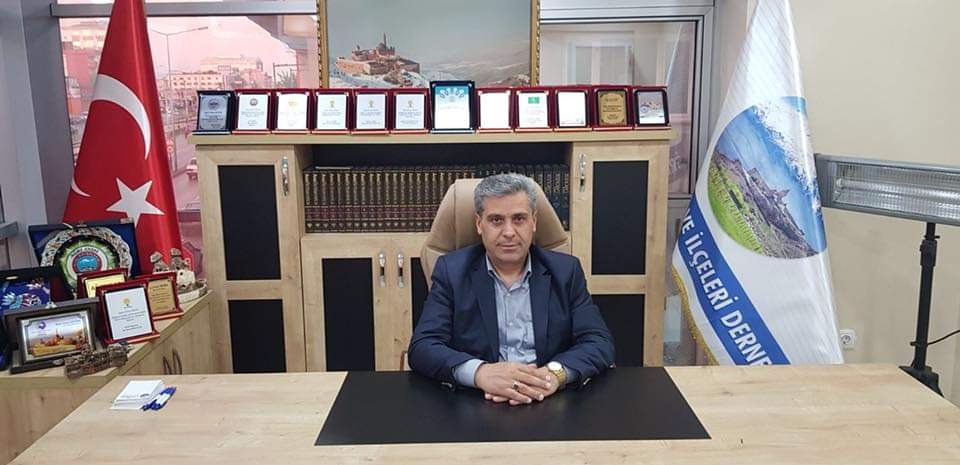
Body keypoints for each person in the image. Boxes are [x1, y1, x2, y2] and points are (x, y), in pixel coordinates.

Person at [409, 173, 615, 406]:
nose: (509, 232)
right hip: (478, 401)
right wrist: (480, 373)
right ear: (479, 224)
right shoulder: (452, 272)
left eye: (519, 219)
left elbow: (598, 341)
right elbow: (423, 346)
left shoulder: (566, 271)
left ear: (533, 222)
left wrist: (554, 375)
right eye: (496, 220)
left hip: (549, 398)